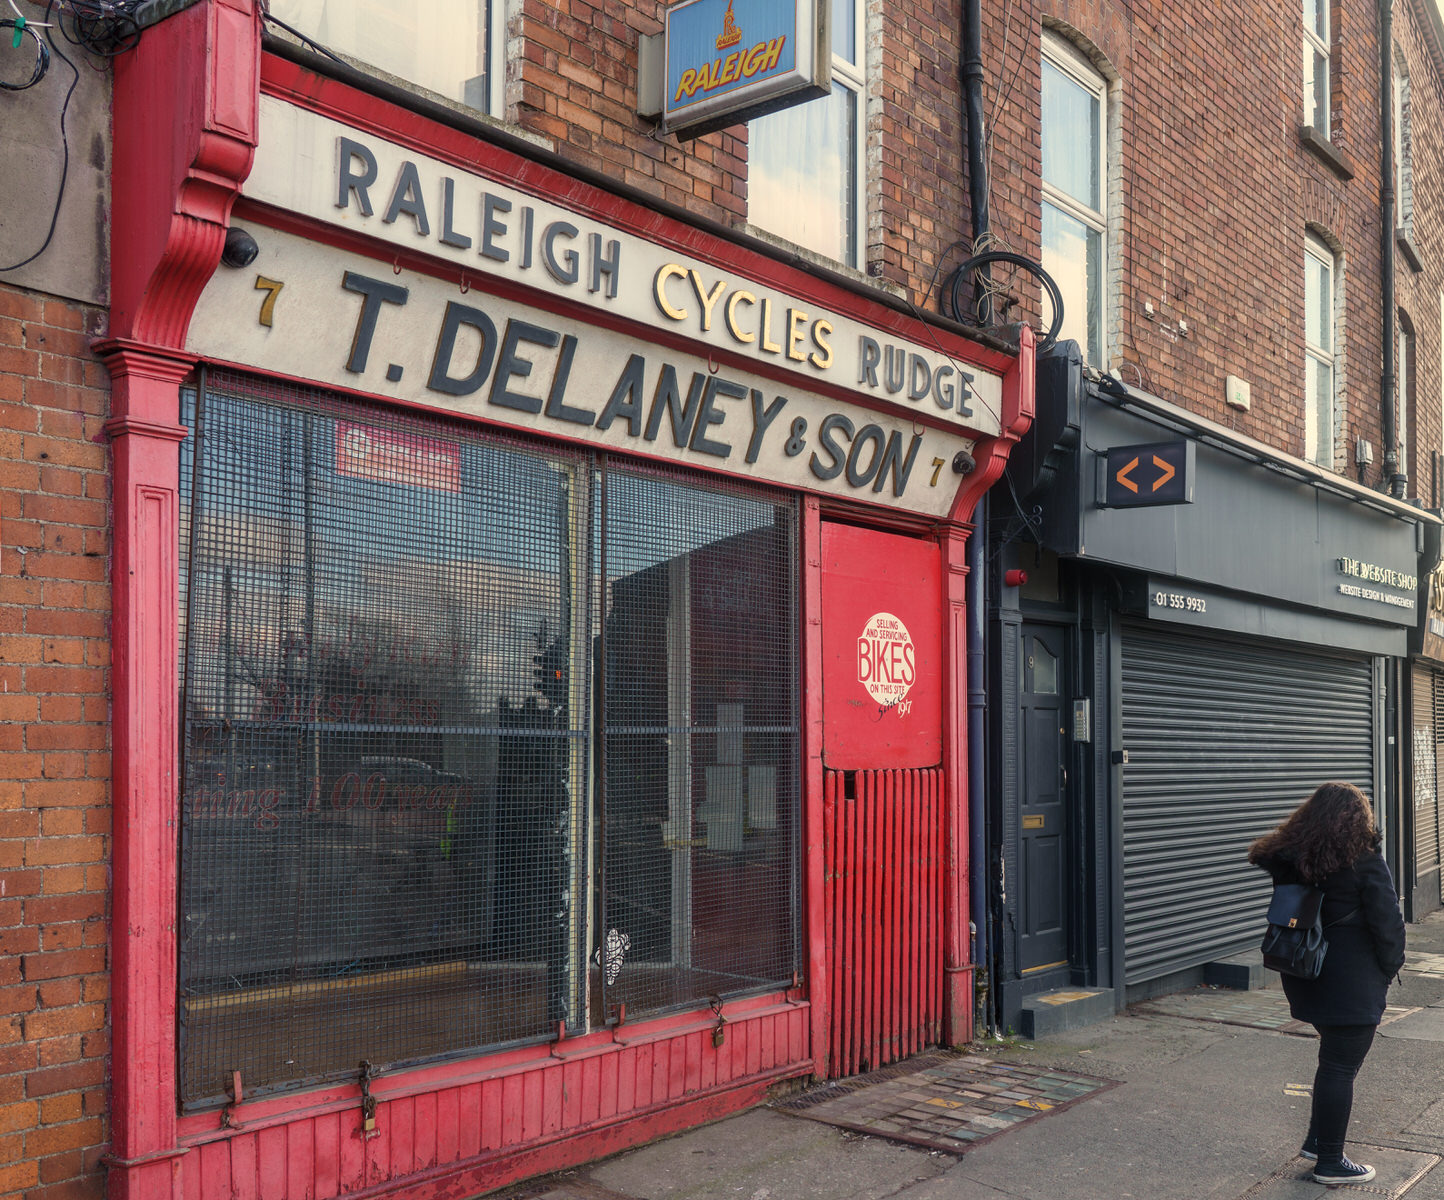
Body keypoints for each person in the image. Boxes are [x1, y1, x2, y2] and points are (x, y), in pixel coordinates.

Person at [1248, 781, 1406, 1186]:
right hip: (1352, 984)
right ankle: (1331, 1163)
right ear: (1359, 820)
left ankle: (1319, 1142)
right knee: (1340, 1066)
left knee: (1332, 1061)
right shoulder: (1363, 861)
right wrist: (1389, 970)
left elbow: (1264, 855)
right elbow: (1388, 925)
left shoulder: (1292, 860)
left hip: (1304, 974)